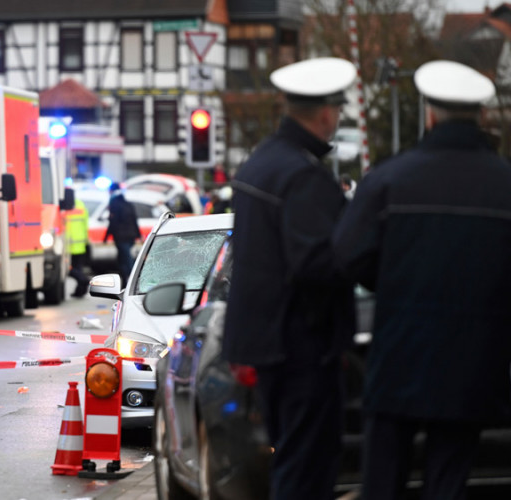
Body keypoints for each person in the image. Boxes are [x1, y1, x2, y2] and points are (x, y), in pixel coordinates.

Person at [333, 60, 510, 500]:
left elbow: (346, 257)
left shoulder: (388, 180)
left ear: (429, 114)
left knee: (383, 482)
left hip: (399, 358)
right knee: (448, 482)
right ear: (481, 115)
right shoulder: (503, 185)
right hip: (474, 364)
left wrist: (394, 282)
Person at [221, 57, 357, 500]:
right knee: (307, 470)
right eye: (338, 110)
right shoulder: (303, 176)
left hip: (268, 344)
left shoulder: (261, 163)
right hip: (302, 347)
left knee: (291, 463)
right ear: (326, 113)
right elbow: (316, 263)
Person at [103, 182, 140, 286]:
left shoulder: (114, 203)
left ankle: (133, 280)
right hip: (131, 236)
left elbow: (113, 221)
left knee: (125, 260)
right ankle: (125, 281)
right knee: (123, 259)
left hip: (121, 236)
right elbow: (135, 220)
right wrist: (138, 234)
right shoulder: (128, 204)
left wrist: (106, 237)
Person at [66, 198, 90, 298]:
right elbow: (86, 223)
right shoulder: (81, 205)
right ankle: (80, 291)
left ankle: (84, 280)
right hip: (80, 243)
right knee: (78, 269)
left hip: (68, 245)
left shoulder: (64, 205)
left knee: (69, 269)